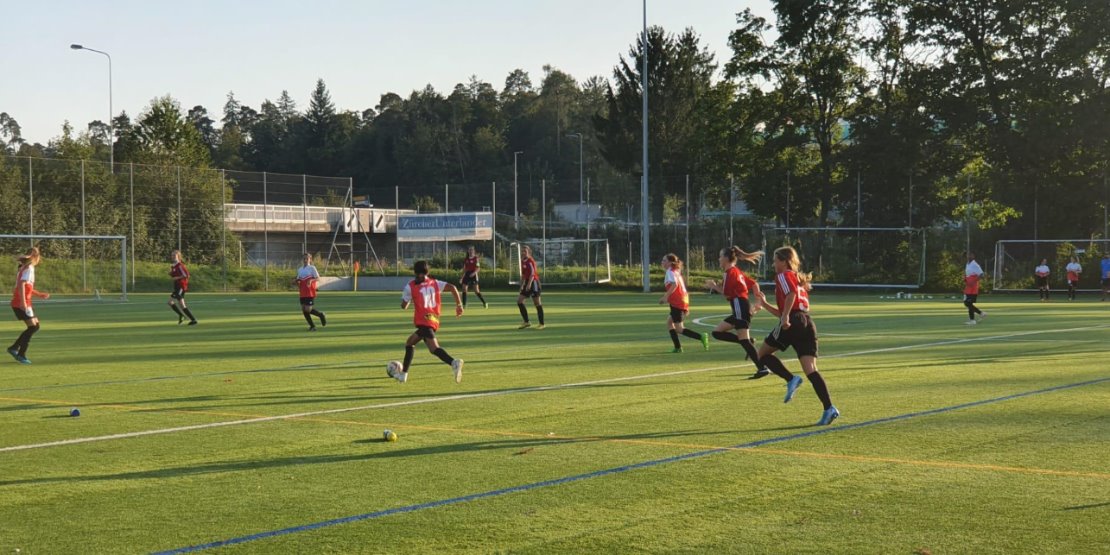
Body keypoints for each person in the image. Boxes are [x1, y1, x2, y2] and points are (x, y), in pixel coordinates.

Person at [754, 246, 838, 425]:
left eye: (776, 260)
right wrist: (765, 304)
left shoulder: (783, 276)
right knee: (811, 370)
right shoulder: (798, 280)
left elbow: (790, 299)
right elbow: (789, 306)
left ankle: (791, 379)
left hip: (793, 321)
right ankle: (829, 408)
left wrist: (785, 317)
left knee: (762, 355)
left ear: (784, 262)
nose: (773, 263)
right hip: (807, 323)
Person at [392, 260, 464, 384]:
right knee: (414, 344)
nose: (420, 276)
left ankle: (454, 363)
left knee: (430, 347)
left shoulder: (411, 286)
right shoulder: (435, 283)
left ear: (415, 272)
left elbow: (404, 306)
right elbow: (453, 287)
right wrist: (459, 305)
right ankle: (403, 375)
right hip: (433, 320)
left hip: (424, 321)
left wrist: (407, 300)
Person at [705, 246, 765, 378]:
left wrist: (713, 286)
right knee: (717, 332)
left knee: (743, 340)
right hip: (741, 306)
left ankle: (762, 368)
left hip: (739, 306)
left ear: (726, 258)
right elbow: (754, 284)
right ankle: (752, 347)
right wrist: (758, 301)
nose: (719, 259)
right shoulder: (736, 271)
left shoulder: (730, 272)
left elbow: (727, 294)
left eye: (720, 256)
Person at [658, 254, 709, 353]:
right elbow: (683, 289)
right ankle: (678, 347)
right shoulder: (676, 272)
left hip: (677, 302)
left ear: (670, 263)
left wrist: (665, 296)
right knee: (669, 322)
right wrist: (686, 305)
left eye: (664, 260)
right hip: (680, 301)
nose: (662, 262)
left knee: (679, 328)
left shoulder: (670, 272)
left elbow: (674, 284)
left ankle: (701, 337)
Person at [8, 247, 50, 364]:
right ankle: (20, 354)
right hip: (20, 302)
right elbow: (21, 285)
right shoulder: (29, 268)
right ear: (36, 257)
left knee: (35, 326)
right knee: (33, 327)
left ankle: (14, 348)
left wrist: (39, 294)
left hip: (22, 301)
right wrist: (23, 303)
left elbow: (27, 287)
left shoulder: (24, 268)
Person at [294, 253, 327, 331]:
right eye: (304, 259)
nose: (305, 260)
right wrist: (295, 282)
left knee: (308, 309)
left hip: (310, 291)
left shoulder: (312, 268)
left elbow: (318, 278)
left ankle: (321, 315)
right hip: (302, 292)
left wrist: (311, 280)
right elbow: (299, 280)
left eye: (307, 259)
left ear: (310, 259)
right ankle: (312, 326)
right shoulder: (300, 269)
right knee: (303, 309)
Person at [517, 245, 545, 329]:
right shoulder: (522, 261)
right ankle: (526, 322)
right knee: (519, 301)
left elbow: (532, 274)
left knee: (537, 303)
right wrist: (522, 286)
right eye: (522, 251)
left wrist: (529, 284)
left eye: (525, 251)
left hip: (534, 283)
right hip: (527, 283)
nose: (523, 253)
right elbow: (523, 275)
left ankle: (542, 323)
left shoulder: (530, 261)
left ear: (529, 252)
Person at [168, 250, 197, 325]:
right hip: (177, 287)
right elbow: (175, 275)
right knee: (171, 302)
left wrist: (176, 278)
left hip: (181, 286)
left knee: (180, 303)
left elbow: (187, 275)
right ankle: (184, 316)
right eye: (172, 255)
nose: (173, 257)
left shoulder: (180, 265)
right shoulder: (173, 266)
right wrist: (171, 274)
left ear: (178, 256)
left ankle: (192, 319)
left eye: (174, 255)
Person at [964, 252, 985, 325]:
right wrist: (965, 279)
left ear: (973, 256)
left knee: (968, 303)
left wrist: (974, 281)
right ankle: (976, 317)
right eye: (967, 255)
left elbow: (981, 274)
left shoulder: (975, 265)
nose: (968, 256)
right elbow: (968, 274)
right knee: (968, 303)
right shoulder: (967, 264)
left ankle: (976, 317)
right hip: (968, 286)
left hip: (973, 287)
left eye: (970, 254)